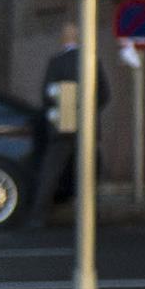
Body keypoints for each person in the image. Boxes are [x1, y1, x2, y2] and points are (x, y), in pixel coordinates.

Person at [36, 21, 113, 208]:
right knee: (88, 172)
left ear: (63, 39)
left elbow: (47, 95)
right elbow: (105, 94)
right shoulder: (92, 60)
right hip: (87, 126)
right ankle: (91, 214)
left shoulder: (56, 62)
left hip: (62, 125)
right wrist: (90, 111)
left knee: (51, 171)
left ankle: (37, 216)